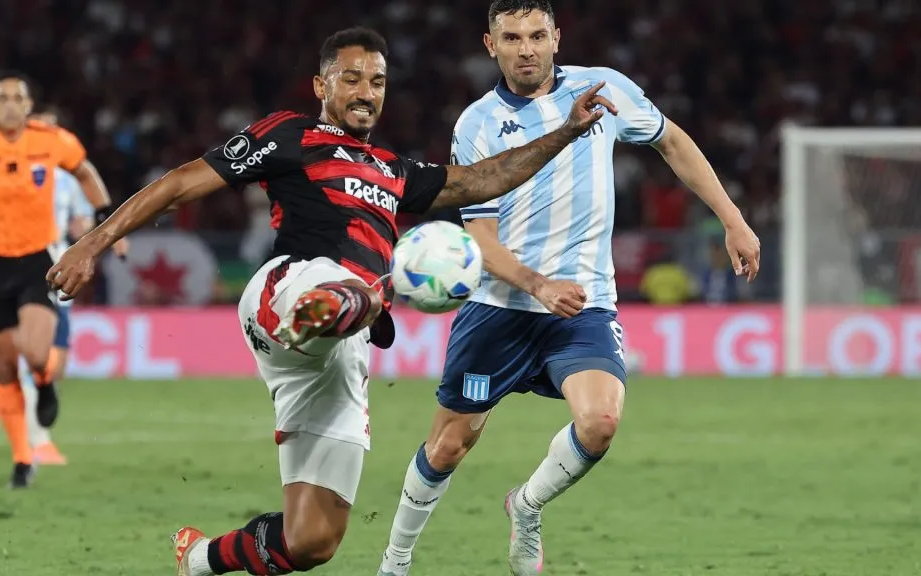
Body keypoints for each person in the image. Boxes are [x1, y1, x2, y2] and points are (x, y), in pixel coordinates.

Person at [47, 27, 615, 576]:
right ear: (322, 87)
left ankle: (199, 559)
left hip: (342, 353)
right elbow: (179, 183)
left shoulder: (395, 171)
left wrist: (565, 131)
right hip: (291, 287)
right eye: (351, 79)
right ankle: (344, 304)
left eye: (377, 81)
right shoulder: (289, 136)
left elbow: (482, 180)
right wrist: (92, 243)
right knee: (340, 292)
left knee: (313, 542)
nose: (366, 92)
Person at [375, 2, 761, 575]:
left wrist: (732, 217)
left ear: (558, 37)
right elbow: (479, 235)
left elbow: (672, 141)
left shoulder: (603, 91)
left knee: (601, 421)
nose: (526, 48)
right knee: (448, 446)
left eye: (536, 35)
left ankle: (526, 506)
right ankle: (395, 561)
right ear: (490, 45)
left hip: (582, 302)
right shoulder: (476, 125)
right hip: (498, 305)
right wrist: (537, 285)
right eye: (512, 37)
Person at [0, 72, 120, 488]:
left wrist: (104, 217)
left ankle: (44, 381)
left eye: (19, 97)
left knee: (36, 352)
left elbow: (86, 173)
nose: (11, 104)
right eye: (3, 97)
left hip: (38, 259)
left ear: (29, 105)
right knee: (2, 366)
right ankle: (22, 460)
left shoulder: (52, 141)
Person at [0, 108, 129, 465]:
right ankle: (39, 442)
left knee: (53, 363)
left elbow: (80, 223)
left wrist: (105, 236)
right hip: (27, 270)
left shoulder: (71, 180)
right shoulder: (5, 172)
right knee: (42, 354)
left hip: (60, 270)